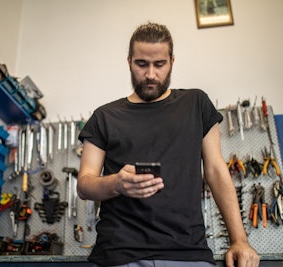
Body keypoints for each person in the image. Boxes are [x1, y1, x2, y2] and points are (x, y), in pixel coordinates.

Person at [77, 22, 260, 267]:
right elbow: (84, 185)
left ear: (172, 61)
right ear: (129, 61)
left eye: (159, 64)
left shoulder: (196, 104)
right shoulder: (104, 117)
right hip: (119, 255)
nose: (150, 74)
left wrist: (239, 240)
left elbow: (216, 170)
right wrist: (117, 183)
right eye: (141, 64)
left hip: (187, 253)